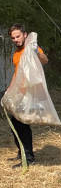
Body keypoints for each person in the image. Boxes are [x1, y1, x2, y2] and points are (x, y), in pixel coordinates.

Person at [6, 24, 48, 165]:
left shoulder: (31, 49)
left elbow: (45, 60)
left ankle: (29, 158)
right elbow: (17, 73)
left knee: (22, 125)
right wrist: (9, 91)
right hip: (18, 92)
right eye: (13, 38)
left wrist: (37, 51)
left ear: (25, 34)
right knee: (15, 123)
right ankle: (22, 152)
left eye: (18, 36)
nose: (16, 40)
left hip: (29, 94)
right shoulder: (16, 54)